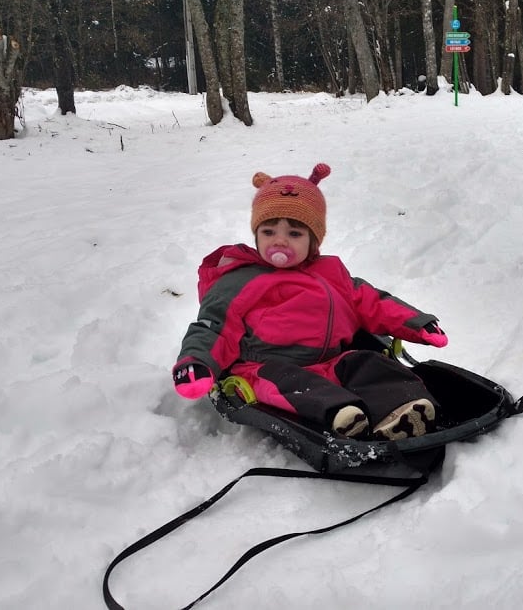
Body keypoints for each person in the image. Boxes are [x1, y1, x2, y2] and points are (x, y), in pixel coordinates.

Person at [171, 163, 448, 440]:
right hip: (267, 368)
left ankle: (404, 408)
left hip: (332, 362)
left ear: (314, 241)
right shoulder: (240, 279)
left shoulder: (331, 274)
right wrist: (196, 362)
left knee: (370, 363)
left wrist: (417, 323)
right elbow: (213, 327)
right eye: (268, 232)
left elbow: (372, 301)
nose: (279, 241)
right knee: (294, 385)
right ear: (256, 235)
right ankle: (343, 416)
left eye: (294, 234)